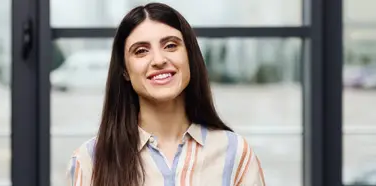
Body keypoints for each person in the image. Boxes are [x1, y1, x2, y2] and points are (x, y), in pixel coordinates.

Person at [66, 3, 266, 186]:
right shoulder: (89, 161)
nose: (158, 60)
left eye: (170, 45)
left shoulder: (234, 153)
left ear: (189, 55)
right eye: (141, 51)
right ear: (125, 71)